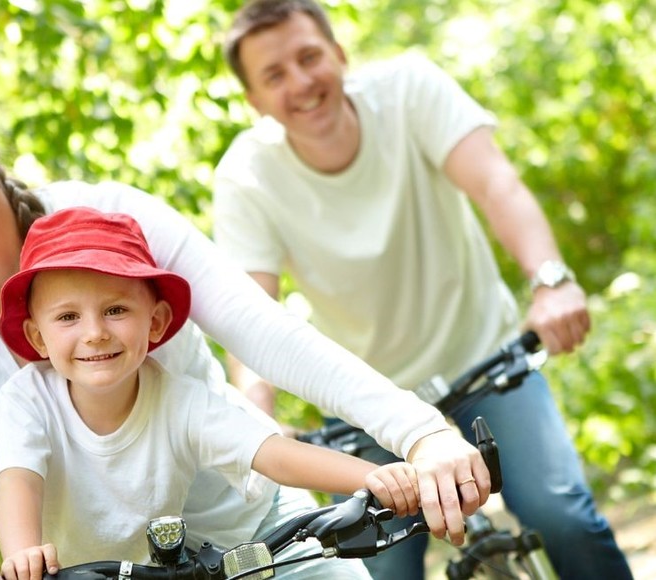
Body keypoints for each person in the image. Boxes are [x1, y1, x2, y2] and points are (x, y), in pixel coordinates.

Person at [0, 54, 491, 580]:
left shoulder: (114, 218)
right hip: (110, 568)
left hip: (258, 531)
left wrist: (419, 435)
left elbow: (262, 329)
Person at [212, 1, 633, 579]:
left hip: (484, 358)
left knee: (563, 515)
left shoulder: (409, 90)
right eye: (275, 75)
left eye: (310, 57)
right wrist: (257, 419)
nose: (301, 82)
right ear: (254, 100)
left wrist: (551, 280)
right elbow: (251, 317)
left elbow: (497, 185)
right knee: (377, 569)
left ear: (339, 54)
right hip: (372, 405)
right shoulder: (247, 175)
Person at [0, 206, 423, 579]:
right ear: (38, 337)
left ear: (156, 322)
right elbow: (19, 481)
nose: (94, 333)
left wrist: (371, 477)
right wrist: (22, 554)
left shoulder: (178, 401)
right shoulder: (28, 400)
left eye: (116, 310)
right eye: (68, 317)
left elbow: (272, 454)